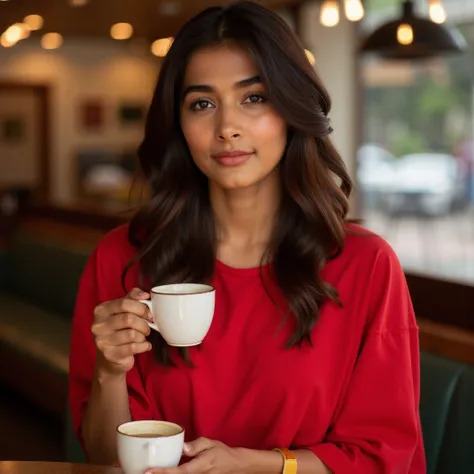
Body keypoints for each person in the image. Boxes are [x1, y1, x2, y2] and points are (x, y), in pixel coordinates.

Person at [68, 1, 426, 473]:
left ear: (291, 109)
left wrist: (263, 465)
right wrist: (110, 371)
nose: (227, 128)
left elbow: (383, 458)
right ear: (179, 125)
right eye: (203, 104)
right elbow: (102, 456)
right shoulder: (122, 257)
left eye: (254, 97)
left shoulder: (365, 265)